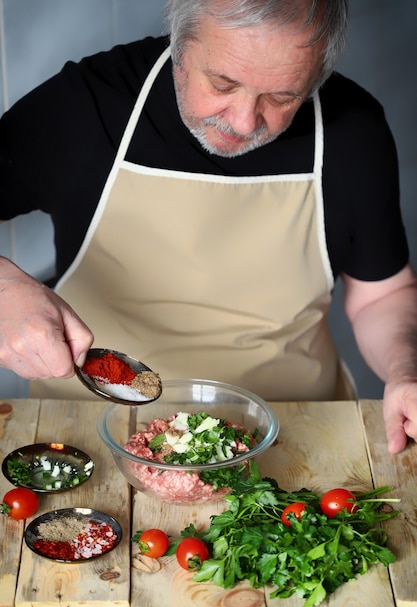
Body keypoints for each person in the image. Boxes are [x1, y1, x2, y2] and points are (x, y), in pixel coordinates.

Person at [0, 0, 416, 454]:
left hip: (295, 429)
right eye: (222, 83)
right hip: (91, 428)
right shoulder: (87, 105)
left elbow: (383, 295)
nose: (243, 121)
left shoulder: (355, 129)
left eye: (283, 97)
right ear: (180, 44)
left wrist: (405, 370)